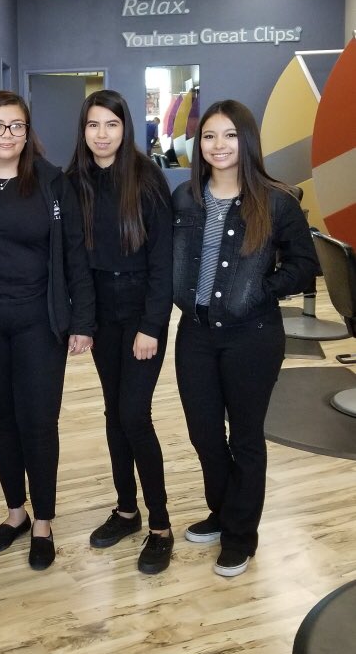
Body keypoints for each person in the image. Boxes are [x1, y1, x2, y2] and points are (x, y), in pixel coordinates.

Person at [0, 91, 95, 571]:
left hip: (38, 322)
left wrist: (82, 321)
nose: (7, 135)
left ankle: (43, 521)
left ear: (28, 132)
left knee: (39, 423)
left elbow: (75, 254)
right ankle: (16, 513)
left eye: (17, 126)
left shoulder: (51, 181)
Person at [172, 99, 318, 577]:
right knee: (204, 434)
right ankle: (222, 510)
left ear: (247, 141)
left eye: (230, 135)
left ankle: (240, 535)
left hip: (252, 336)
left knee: (246, 438)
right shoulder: (186, 198)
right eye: (209, 136)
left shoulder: (277, 201)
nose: (218, 145)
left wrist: (260, 290)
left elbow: (304, 267)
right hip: (194, 334)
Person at [67, 91, 174, 575]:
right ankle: (127, 509)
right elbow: (78, 264)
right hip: (102, 317)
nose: (102, 134)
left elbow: (162, 262)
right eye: (94, 125)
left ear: (125, 127)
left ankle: (161, 525)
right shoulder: (74, 182)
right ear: (84, 130)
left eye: (112, 124)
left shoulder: (147, 179)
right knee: (115, 413)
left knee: (134, 414)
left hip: (141, 315)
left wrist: (152, 325)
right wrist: (84, 324)